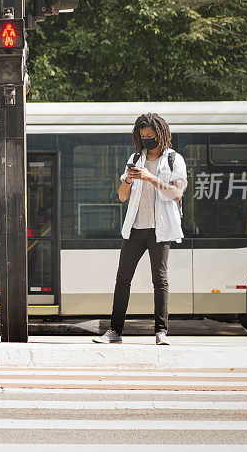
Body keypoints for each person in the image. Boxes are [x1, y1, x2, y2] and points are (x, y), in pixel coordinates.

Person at [93, 113, 187, 346]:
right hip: (135, 228)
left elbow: (176, 194)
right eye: (143, 136)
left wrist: (150, 177)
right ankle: (114, 331)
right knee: (122, 280)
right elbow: (122, 196)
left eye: (151, 135)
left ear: (161, 134)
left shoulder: (175, 160)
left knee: (160, 280)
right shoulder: (135, 158)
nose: (147, 139)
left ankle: (161, 332)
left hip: (160, 229)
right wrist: (129, 180)